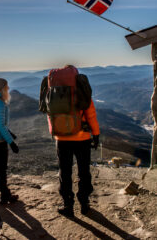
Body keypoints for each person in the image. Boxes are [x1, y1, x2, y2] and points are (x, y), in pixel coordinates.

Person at [52, 66, 100, 217]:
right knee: (83, 171)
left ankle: (68, 205)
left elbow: (49, 115)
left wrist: (55, 134)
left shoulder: (53, 93)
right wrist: (96, 134)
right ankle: (84, 203)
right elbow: (91, 114)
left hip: (62, 139)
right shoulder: (81, 91)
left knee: (64, 172)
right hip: (82, 138)